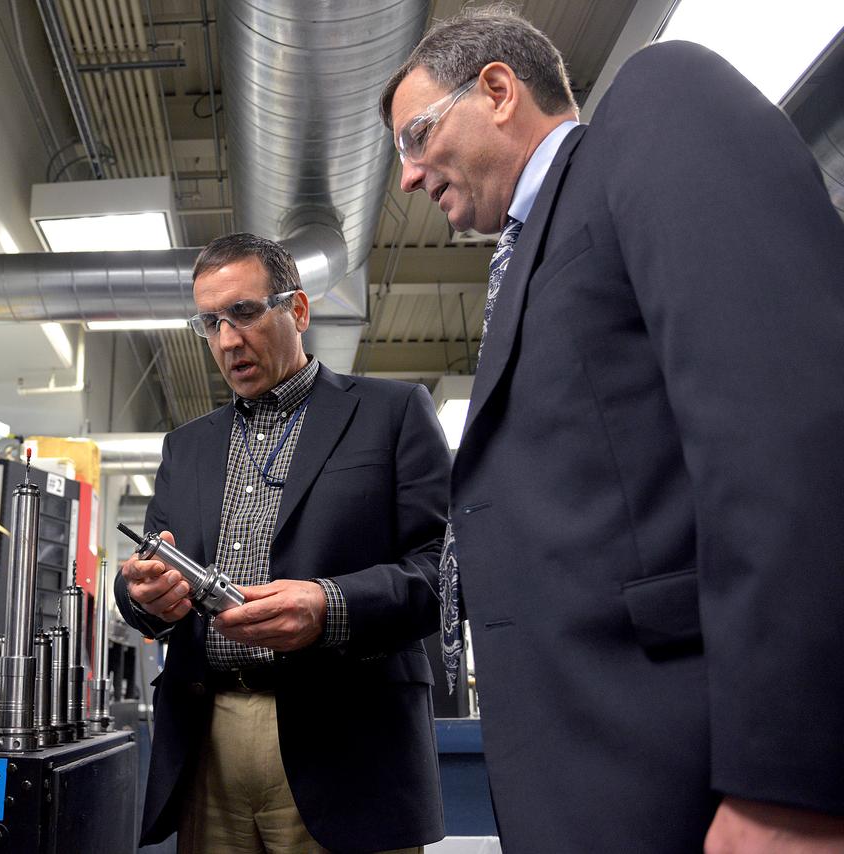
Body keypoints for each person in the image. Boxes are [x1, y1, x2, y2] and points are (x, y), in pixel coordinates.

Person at [380, 6, 844, 852]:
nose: (406, 177)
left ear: (496, 89)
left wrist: (791, 784)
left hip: (696, 779)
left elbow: (786, 426)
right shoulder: (527, 254)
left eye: (415, 136)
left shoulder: (657, 104)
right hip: (587, 780)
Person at [115, 233, 450, 853]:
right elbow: (145, 573)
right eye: (210, 322)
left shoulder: (393, 413)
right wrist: (141, 594)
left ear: (296, 311)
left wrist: (330, 606)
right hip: (208, 740)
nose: (227, 340)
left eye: (244, 313)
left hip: (349, 745)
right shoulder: (185, 447)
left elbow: (448, 573)